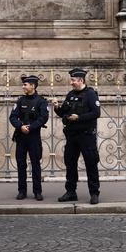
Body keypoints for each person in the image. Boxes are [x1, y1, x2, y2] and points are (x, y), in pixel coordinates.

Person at [51, 67, 100, 204]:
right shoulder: (70, 94)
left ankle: (94, 193)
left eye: (73, 80)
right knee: (70, 164)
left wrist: (78, 117)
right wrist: (56, 107)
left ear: (81, 80)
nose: (71, 82)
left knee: (91, 164)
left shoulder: (90, 94)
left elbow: (96, 113)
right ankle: (71, 192)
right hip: (72, 136)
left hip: (86, 136)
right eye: (71, 80)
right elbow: (63, 113)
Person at [8, 74, 49, 201]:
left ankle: (37, 191)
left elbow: (43, 118)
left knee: (36, 164)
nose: (23, 87)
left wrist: (30, 128)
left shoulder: (41, 101)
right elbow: (13, 117)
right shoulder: (20, 101)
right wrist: (20, 126)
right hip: (21, 136)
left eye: (25, 85)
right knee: (21, 164)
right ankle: (22, 191)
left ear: (33, 86)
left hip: (33, 137)